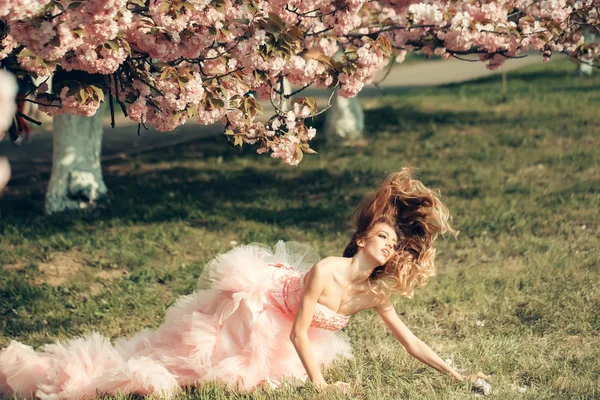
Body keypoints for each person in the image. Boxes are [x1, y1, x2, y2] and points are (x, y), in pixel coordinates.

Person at [0, 169, 469, 399]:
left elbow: (411, 342)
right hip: (260, 305)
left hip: (288, 327)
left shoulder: (374, 294)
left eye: (394, 243)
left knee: (251, 376)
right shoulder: (326, 269)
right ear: (362, 238)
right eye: (382, 236)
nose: (388, 246)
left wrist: (455, 373)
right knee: (201, 365)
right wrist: (322, 386)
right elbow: (298, 332)